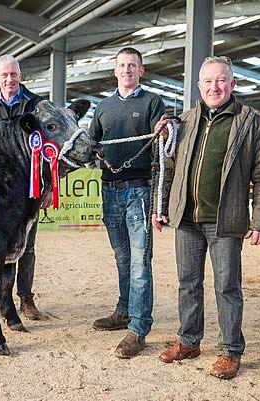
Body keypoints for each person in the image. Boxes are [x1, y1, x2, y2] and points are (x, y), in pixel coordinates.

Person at [153, 56, 260, 380]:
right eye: (207, 81)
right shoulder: (184, 121)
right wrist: (161, 206)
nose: (214, 86)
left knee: (227, 287)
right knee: (188, 284)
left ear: (233, 84)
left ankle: (230, 350)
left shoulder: (251, 122)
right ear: (198, 86)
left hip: (226, 220)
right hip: (187, 219)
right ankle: (189, 341)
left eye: (221, 80)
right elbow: (167, 168)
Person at [88, 47, 166, 358]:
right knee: (122, 259)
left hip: (139, 191)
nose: (127, 70)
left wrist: (164, 127)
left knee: (139, 262)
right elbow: (92, 144)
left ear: (141, 71)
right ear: (115, 71)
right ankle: (123, 310)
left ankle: (138, 327)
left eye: (132, 65)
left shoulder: (152, 102)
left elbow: (164, 140)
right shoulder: (103, 107)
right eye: (122, 65)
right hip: (110, 190)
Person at [0, 54, 46, 320]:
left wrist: (47, 188)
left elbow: (47, 151)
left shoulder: (37, 106)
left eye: (13, 74)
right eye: (4, 75)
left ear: (21, 76)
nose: (9, 79)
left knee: (26, 246)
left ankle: (26, 298)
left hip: (29, 187)